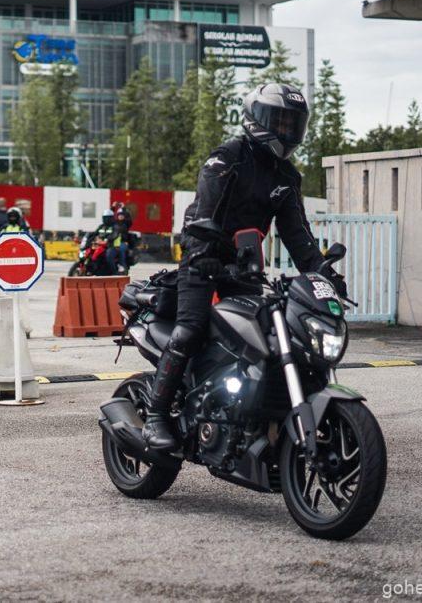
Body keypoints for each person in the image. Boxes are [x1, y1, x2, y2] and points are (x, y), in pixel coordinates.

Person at [141, 83, 347, 451]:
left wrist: (324, 273)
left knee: (262, 336)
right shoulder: (228, 158)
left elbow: (298, 236)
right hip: (202, 259)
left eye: (293, 123)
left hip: (244, 267)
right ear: (257, 119)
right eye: (279, 121)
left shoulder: (287, 176)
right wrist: (202, 251)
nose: (286, 130)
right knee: (190, 329)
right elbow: (203, 213)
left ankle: (252, 411)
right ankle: (156, 414)